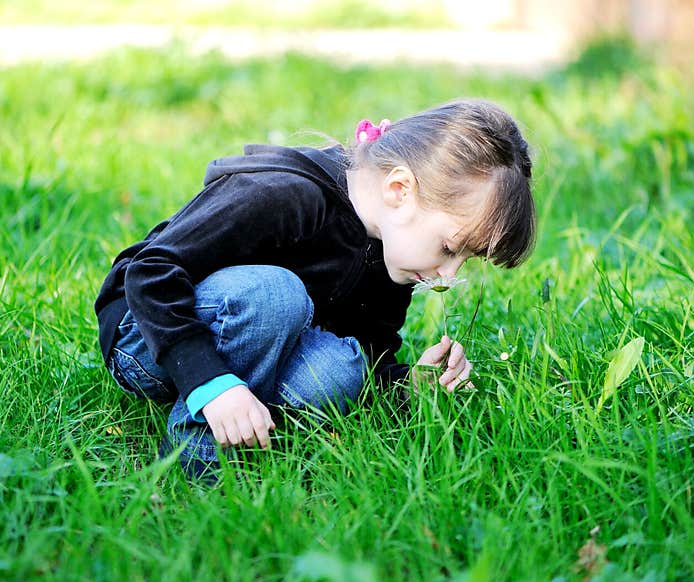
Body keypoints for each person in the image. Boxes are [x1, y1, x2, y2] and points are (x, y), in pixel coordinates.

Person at [94, 98, 536, 483]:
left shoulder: (392, 256)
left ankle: (241, 406)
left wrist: (411, 385)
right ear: (400, 189)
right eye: (448, 248)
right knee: (274, 293)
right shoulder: (285, 195)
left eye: (464, 260)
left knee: (344, 370)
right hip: (146, 338)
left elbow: (370, 347)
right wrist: (210, 382)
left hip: (241, 347)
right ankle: (197, 462)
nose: (447, 274)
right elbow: (151, 270)